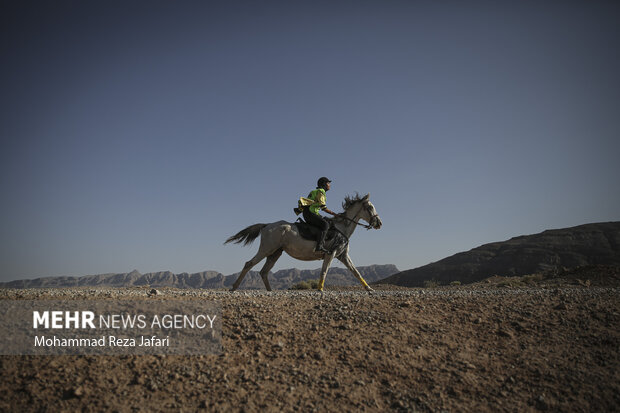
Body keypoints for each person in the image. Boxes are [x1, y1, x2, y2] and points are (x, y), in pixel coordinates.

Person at [296, 177, 339, 253]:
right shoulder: (321, 191)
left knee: (327, 221)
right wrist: (334, 214)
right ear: (324, 184)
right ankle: (319, 246)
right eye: (328, 183)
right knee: (325, 225)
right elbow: (324, 208)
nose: (329, 185)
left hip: (309, 213)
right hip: (310, 213)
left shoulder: (316, 191)